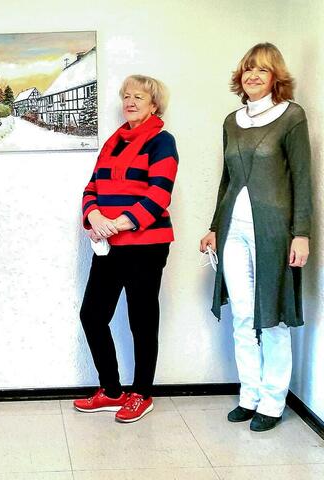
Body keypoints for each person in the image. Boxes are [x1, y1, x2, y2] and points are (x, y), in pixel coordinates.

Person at [200, 43, 312, 432]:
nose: (253, 76)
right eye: (248, 69)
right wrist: (215, 226)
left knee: (272, 317)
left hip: (274, 232)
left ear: (275, 77)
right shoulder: (232, 121)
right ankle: (250, 394)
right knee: (244, 316)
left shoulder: (291, 117)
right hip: (233, 231)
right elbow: (227, 180)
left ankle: (274, 399)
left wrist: (302, 234)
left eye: (262, 71)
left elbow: (302, 178)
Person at [74, 75, 178, 423]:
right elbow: (92, 187)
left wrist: (115, 223)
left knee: (142, 321)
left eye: (139, 97)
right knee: (92, 315)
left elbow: (158, 194)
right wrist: (94, 215)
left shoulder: (163, 142)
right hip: (109, 246)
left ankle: (142, 394)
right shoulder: (113, 142)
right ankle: (112, 391)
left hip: (146, 247)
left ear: (154, 105)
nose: (130, 102)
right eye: (126, 96)